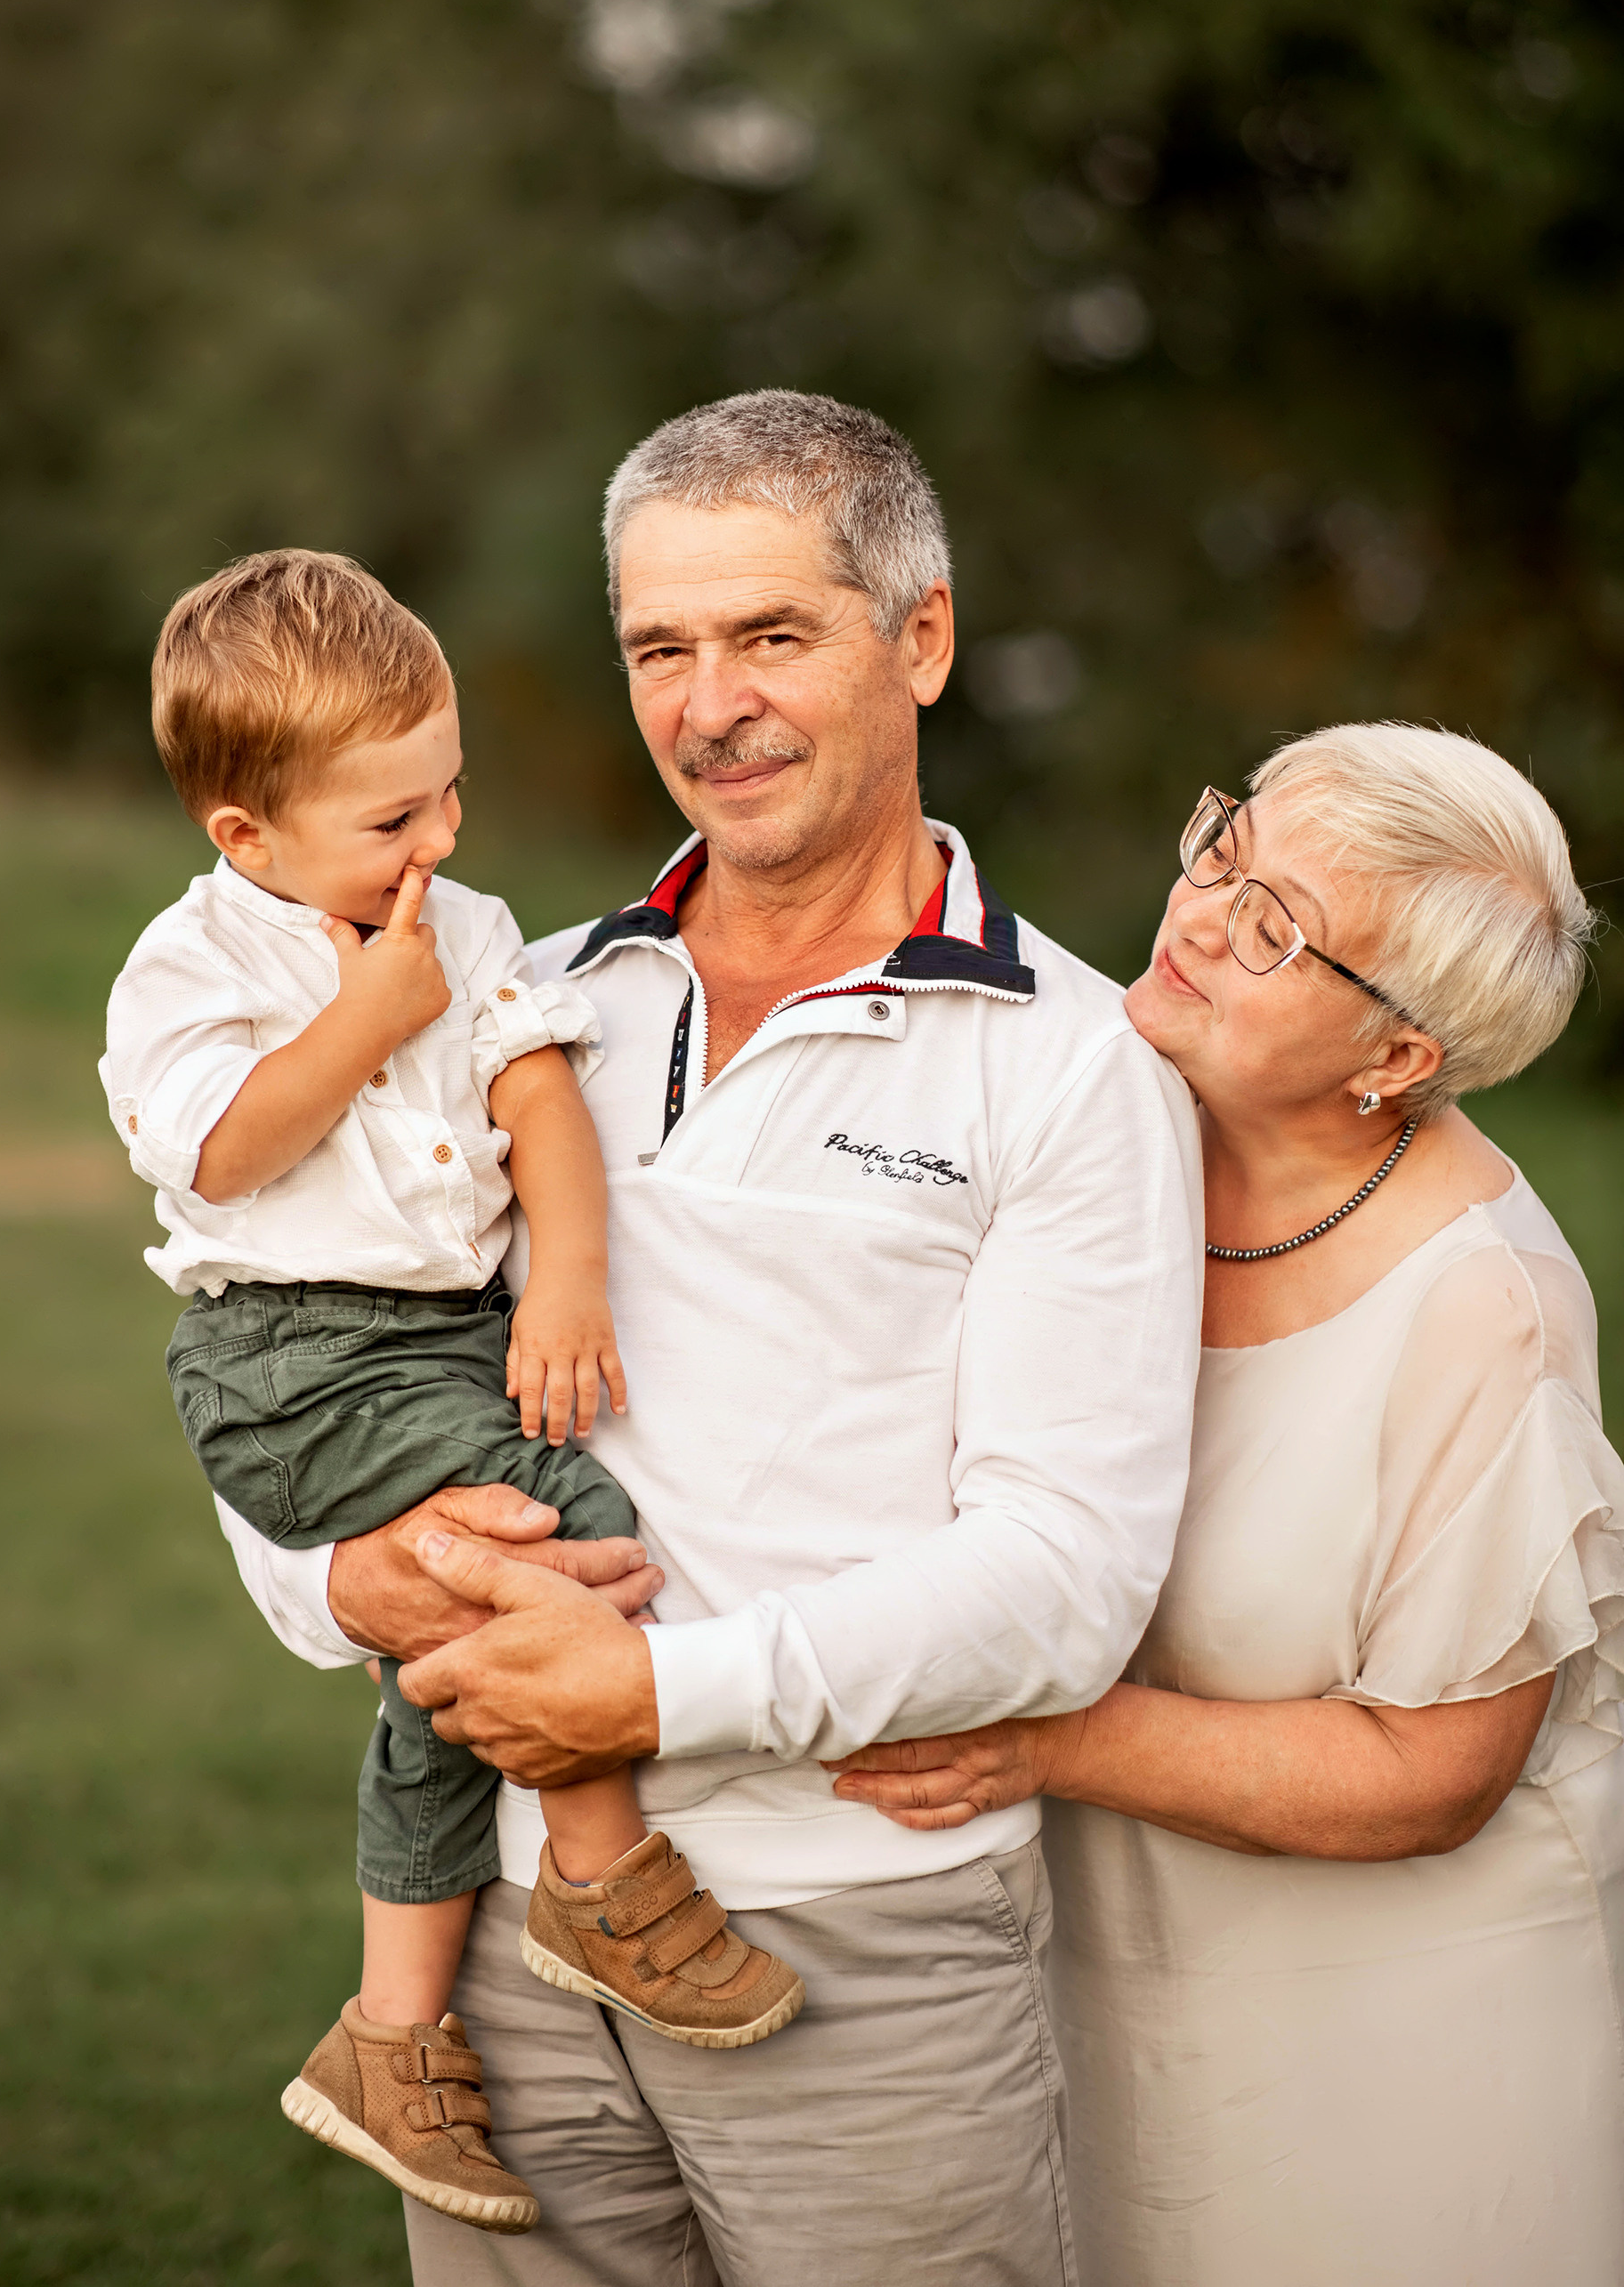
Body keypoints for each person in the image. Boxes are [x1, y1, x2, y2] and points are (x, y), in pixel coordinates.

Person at [217, 390, 1206, 2287]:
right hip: (489, 1929)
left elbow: (1065, 1571)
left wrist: (659, 1702)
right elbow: (296, 1348)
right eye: (659, 649)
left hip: (863, 1947)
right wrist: (344, 1578)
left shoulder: (1069, 1064)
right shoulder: (530, 1002)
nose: (708, 704)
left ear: (917, 638)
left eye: (770, 636)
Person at [832, 721, 1624, 2287]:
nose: (1198, 914)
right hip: (1098, 1983)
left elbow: (1435, 1775)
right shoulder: (1098, 1122)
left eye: (1278, 929)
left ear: (1397, 1059)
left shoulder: (1485, 1317)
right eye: (1226, 848)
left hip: (1403, 2058)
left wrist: (1047, 1737)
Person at [101, 549, 802, 2241]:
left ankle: (392, 2032)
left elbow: (538, 1096)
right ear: (244, 838)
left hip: (438, 1341)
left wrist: (564, 1277)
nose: (441, 845)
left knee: (452, 1657)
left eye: (449, 794)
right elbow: (222, 1151)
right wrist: (364, 1017)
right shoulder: (193, 969)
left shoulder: (463, 927)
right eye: (392, 823)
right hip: (290, 1359)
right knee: (566, 1537)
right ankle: (599, 1879)